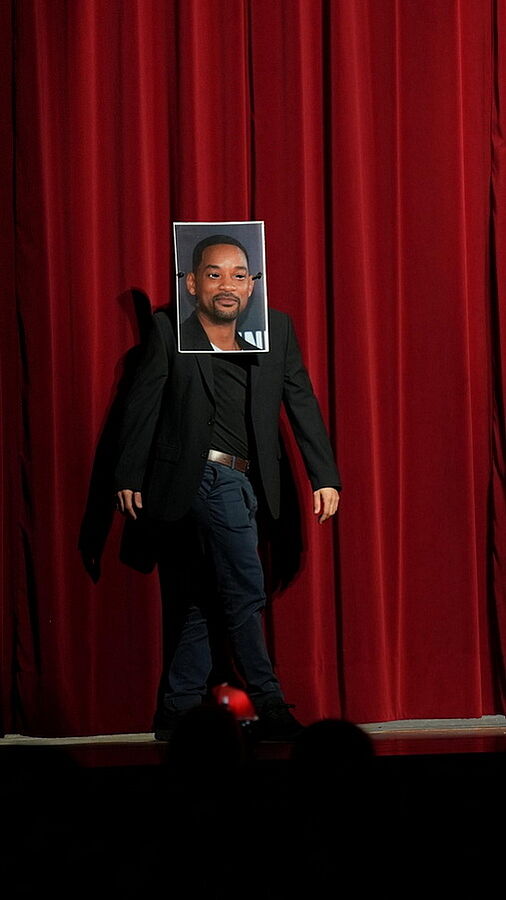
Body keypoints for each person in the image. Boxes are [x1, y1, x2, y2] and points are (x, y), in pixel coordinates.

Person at [114, 233, 341, 741]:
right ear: (193, 283)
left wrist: (323, 475)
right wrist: (128, 473)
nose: (227, 285)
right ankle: (269, 703)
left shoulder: (276, 330)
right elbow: (142, 403)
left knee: (203, 595)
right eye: (214, 274)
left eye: (238, 276)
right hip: (200, 477)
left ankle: (176, 710)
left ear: (252, 285)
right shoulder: (168, 330)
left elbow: (300, 400)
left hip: (247, 481)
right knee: (244, 589)